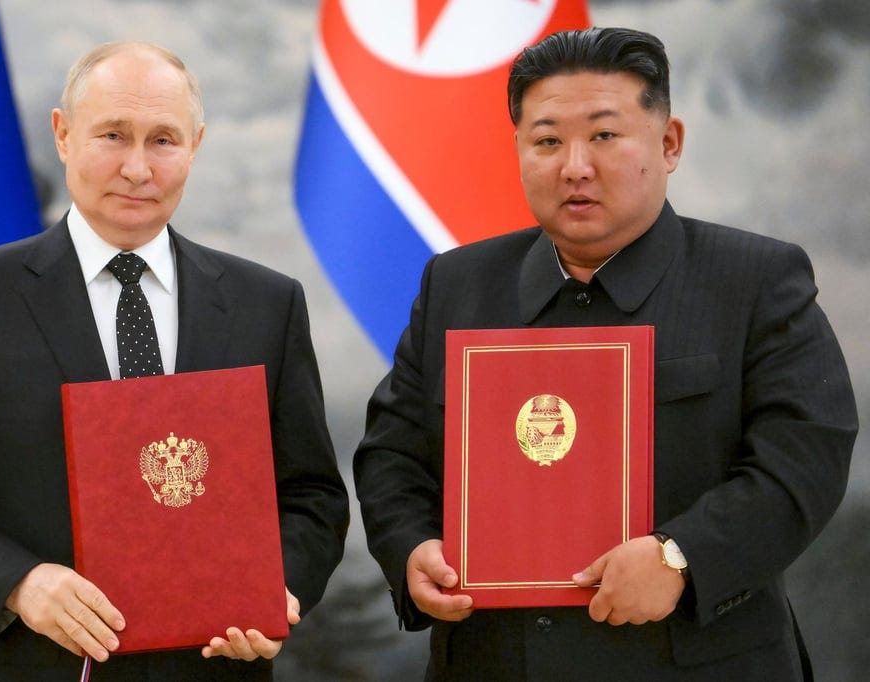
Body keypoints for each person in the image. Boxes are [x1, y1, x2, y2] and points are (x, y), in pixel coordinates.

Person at [353, 27, 857, 680]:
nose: (574, 166)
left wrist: (683, 557)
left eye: (604, 135)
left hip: (698, 660)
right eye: (547, 141)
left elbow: (806, 458)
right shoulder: (457, 284)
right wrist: (411, 547)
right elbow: (393, 453)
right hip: (497, 661)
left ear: (668, 142)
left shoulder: (755, 281)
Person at [0, 41, 349, 681]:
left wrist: (276, 592)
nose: (138, 168)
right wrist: (18, 584)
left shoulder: (267, 303)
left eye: (164, 140)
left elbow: (312, 495)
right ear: (63, 135)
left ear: (196, 145)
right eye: (113, 135)